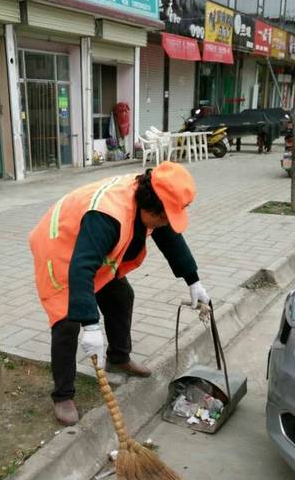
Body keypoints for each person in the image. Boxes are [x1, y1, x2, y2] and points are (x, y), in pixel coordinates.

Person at [29, 161, 210, 426]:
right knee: (67, 322)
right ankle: (63, 395)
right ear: (151, 208)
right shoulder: (108, 214)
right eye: (162, 218)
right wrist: (90, 325)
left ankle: (118, 357)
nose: (163, 224)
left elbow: (169, 237)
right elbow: (81, 268)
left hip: (90, 251)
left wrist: (193, 281)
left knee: (121, 296)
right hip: (60, 252)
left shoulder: (149, 201)